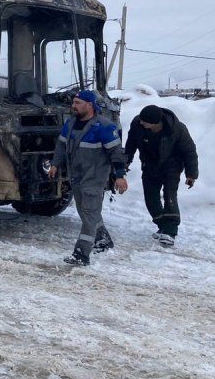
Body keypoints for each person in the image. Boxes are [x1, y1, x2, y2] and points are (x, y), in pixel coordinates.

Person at [48, 90, 128, 266]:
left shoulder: (104, 127)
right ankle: (103, 240)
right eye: (74, 102)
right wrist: (55, 164)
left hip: (95, 177)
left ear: (89, 105)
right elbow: (61, 145)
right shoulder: (70, 124)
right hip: (76, 176)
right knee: (85, 212)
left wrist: (120, 176)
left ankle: (81, 254)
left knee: (89, 214)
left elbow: (116, 153)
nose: (73, 106)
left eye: (77, 103)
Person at [124, 104, 198, 247]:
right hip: (149, 164)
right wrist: (126, 161)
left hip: (172, 165)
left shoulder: (177, 129)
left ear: (155, 123)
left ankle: (170, 232)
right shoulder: (137, 124)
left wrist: (191, 174)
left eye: (144, 122)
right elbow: (131, 143)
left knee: (169, 195)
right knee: (150, 197)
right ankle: (163, 225)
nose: (141, 123)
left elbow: (189, 152)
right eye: (140, 120)